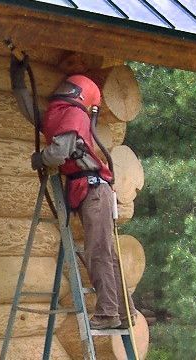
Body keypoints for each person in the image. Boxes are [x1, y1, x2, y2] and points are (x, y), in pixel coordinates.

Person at [30, 74, 125, 330]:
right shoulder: (65, 114)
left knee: (99, 253)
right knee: (105, 253)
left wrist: (41, 158)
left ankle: (108, 314)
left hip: (94, 190)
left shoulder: (74, 115)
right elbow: (38, 118)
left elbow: (59, 153)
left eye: (69, 87)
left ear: (80, 94)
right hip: (92, 190)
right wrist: (19, 81)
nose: (63, 89)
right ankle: (124, 312)